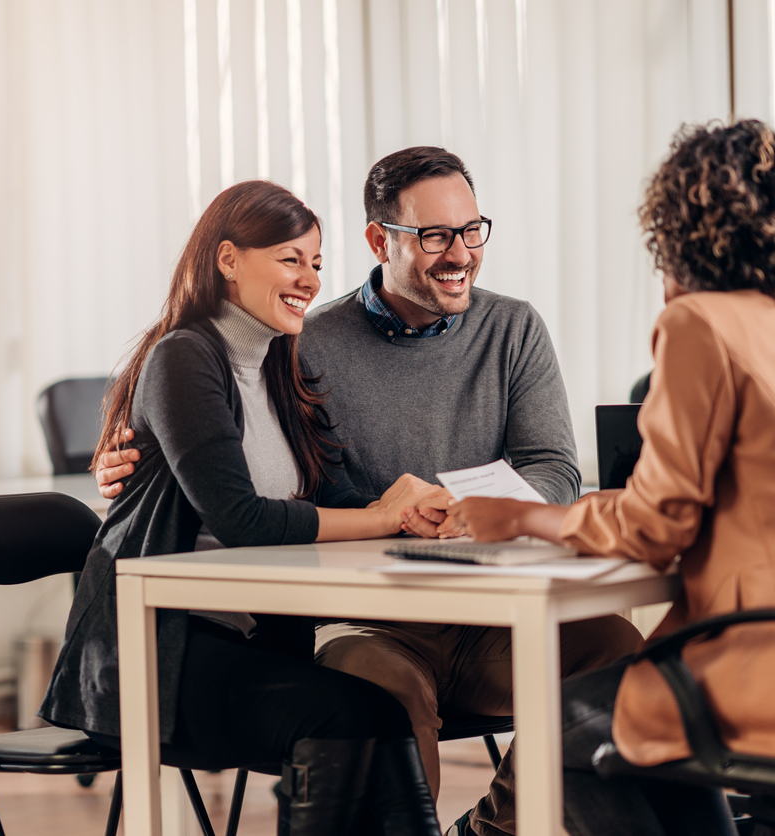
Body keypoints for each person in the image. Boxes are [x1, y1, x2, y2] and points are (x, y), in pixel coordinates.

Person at [95, 146, 642, 836]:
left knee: (621, 651)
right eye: (436, 235)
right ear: (380, 240)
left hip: (497, 613)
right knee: (375, 693)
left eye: (472, 230)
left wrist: (486, 514)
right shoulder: (303, 340)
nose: (461, 253)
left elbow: (555, 468)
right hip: (371, 616)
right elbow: (226, 426)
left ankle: (491, 831)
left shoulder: (514, 328)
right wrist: (129, 453)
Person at [448, 119, 775, 835]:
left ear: (690, 223)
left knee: (557, 732)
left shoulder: (703, 324)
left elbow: (654, 530)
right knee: (631, 739)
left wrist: (523, 518)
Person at [40, 180, 449, 835]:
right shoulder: (185, 357)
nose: (310, 280)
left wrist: (411, 508)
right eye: (291, 259)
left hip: (248, 642)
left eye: (317, 263)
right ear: (228, 259)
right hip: (162, 654)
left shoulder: (279, 363)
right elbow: (240, 518)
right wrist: (383, 518)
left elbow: (330, 496)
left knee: (379, 713)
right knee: (343, 717)